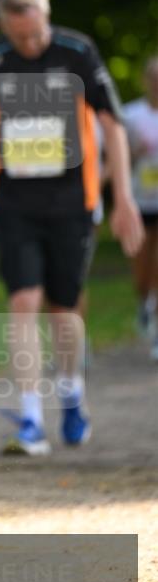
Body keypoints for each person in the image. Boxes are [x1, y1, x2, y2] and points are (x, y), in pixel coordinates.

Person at [0, 0, 144, 455]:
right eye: (21, 38)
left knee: (64, 309)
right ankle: (31, 420)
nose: (31, 46)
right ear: (4, 27)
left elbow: (113, 126)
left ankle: (72, 394)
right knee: (23, 302)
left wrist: (123, 198)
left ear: (46, 18)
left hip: (72, 203)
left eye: (36, 35)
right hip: (14, 202)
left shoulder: (77, 52)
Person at [123, 56, 158, 358]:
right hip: (140, 201)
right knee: (143, 266)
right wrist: (135, 152)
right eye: (154, 78)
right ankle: (143, 303)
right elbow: (119, 160)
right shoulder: (131, 114)